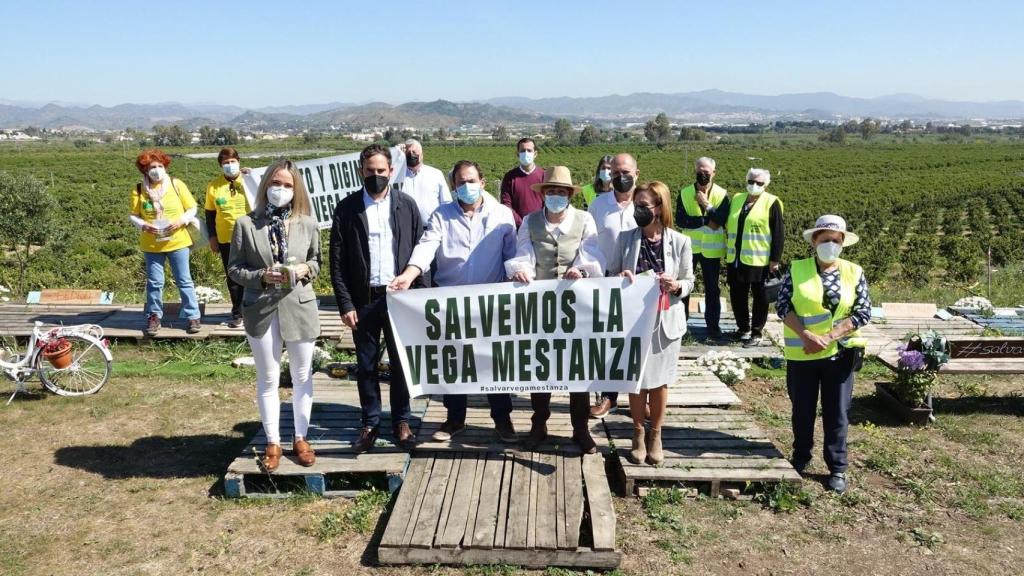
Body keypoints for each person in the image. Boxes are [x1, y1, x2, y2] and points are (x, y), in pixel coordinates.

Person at [389, 160, 518, 443]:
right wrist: (410, 274)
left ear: (483, 182)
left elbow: (512, 256)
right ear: (453, 187)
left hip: (490, 301)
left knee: (495, 363)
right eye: (461, 182)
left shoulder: (502, 215)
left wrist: (520, 272)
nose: (467, 186)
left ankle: (502, 418)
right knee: (454, 362)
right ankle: (454, 418)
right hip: (451, 301)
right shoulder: (441, 215)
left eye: (472, 180)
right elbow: (427, 246)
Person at [227, 159, 322, 472]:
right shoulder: (245, 224)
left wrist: (305, 269)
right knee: (268, 377)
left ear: (296, 190)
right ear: (265, 185)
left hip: (299, 307)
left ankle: (301, 437)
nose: (280, 190)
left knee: (302, 375)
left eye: (287, 185)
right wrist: (262, 277)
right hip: (261, 309)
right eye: (275, 184)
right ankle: (272, 441)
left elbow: (317, 262)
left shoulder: (308, 223)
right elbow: (235, 269)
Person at [505, 166, 605, 453]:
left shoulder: (584, 220)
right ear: (543, 195)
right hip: (542, 304)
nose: (556, 196)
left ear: (570, 195)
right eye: (551, 192)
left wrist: (581, 270)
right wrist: (522, 270)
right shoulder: (530, 221)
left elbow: (592, 255)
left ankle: (580, 429)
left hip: (576, 305)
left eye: (561, 192)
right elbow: (523, 253)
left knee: (577, 367)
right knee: (541, 366)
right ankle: (539, 424)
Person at [330, 144, 423, 453]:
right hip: (364, 299)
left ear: (391, 172)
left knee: (401, 364)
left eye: (381, 171)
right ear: (361, 172)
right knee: (366, 365)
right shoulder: (347, 208)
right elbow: (337, 260)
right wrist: (345, 303)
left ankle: (401, 421)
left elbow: (420, 251)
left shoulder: (406, 205)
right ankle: (370, 423)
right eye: (370, 171)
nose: (376, 176)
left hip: (399, 298)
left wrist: (420, 297)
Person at [777, 215, 870, 493]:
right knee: (802, 410)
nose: (830, 244)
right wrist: (807, 335)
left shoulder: (854, 272)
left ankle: (837, 467)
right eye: (825, 239)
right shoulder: (796, 269)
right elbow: (783, 306)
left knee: (837, 412)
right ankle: (801, 456)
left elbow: (863, 312)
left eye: (835, 240)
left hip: (839, 354)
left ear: (842, 244)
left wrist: (828, 337)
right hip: (803, 354)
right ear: (814, 241)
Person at [606, 181, 694, 466]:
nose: (638, 210)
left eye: (644, 206)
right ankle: (637, 433)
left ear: (660, 208)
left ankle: (656, 433)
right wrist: (623, 277)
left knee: (659, 383)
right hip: (634, 321)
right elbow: (611, 274)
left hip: (665, 320)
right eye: (636, 205)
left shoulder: (680, 242)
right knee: (636, 381)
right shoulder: (626, 238)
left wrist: (676, 284)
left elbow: (690, 281)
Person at [128, 149, 202, 337]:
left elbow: (192, 207)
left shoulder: (176, 184)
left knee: (184, 280)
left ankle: (193, 316)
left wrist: (181, 221)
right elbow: (133, 215)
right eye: (153, 167)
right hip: (152, 244)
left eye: (160, 166)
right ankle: (154, 316)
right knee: (154, 282)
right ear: (145, 169)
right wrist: (144, 225)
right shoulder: (139, 190)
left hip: (178, 241)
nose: (157, 170)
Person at [587, 153, 639, 419]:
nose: (621, 177)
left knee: (636, 340)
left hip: (638, 283)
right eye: (616, 172)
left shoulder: (645, 203)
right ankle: (607, 396)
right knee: (606, 340)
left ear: (637, 174)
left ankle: (639, 399)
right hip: (605, 280)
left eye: (626, 172)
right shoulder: (598, 204)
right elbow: (589, 242)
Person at [725, 168, 784, 347]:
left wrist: (775, 260)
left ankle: (756, 333)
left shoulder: (772, 202)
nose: (754, 185)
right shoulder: (737, 199)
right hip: (736, 257)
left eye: (759, 183)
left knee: (760, 298)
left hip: (760, 259)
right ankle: (743, 329)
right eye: (751, 181)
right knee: (737, 295)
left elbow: (778, 233)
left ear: (766, 185)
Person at [676, 156, 730, 340]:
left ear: (714, 173)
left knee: (712, 290)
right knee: (684, 287)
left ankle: (713, 328)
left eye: (706, 172)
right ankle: (681, 326)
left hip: (711, 251)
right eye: (700, 171)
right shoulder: (684, 193)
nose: (703, 174)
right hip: (688, 249)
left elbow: (722, 220)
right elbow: (681, 220)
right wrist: (707, 220)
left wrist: (706, 205)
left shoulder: (722, 195)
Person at [205, 147, 252, 329]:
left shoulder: (250, 180)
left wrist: (253, 174)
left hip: (251, 237)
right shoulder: (213, 186)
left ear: (239, 162)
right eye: (226, 163)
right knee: (233, 276)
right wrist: (212, 237)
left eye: (233, 162)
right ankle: (237, 313)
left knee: (256, 273)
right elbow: (209, 214)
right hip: (226, 238)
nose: (230, 165)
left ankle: (255, 310)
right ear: (220, 165)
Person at [399, 138, 452, 226]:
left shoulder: (435, 174)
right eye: (408, 153)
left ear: (422, 154)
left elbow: (446, 202)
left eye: (414, 152)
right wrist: (395, 154)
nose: (411, 155)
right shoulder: (397, 176)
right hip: (405, 230)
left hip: (431, 229)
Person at [500, 137, 546, 226]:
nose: (526, 153)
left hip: (541, 227)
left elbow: (548, 202)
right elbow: (506, 205)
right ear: (518, 154)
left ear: (535, 154)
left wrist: (540, 222)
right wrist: (521, 223)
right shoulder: (509, 177)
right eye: (522, 151)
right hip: (517, 229)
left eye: (529, 150)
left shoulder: (544, 175)